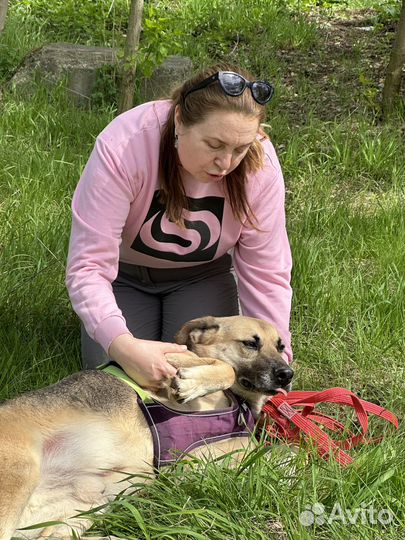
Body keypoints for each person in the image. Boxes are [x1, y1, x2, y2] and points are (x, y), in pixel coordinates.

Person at [66, 64, 293, 391]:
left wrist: (277, 363)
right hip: (123, 277)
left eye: (239, 149)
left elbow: (267, 273)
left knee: (209, 376)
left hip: (203, 276)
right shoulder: (124, 145)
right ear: (179, 123)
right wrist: (122, 343)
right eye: (214, 144)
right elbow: (88, 267)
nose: (226, 162)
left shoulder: (261, 166)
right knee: (121, 380)